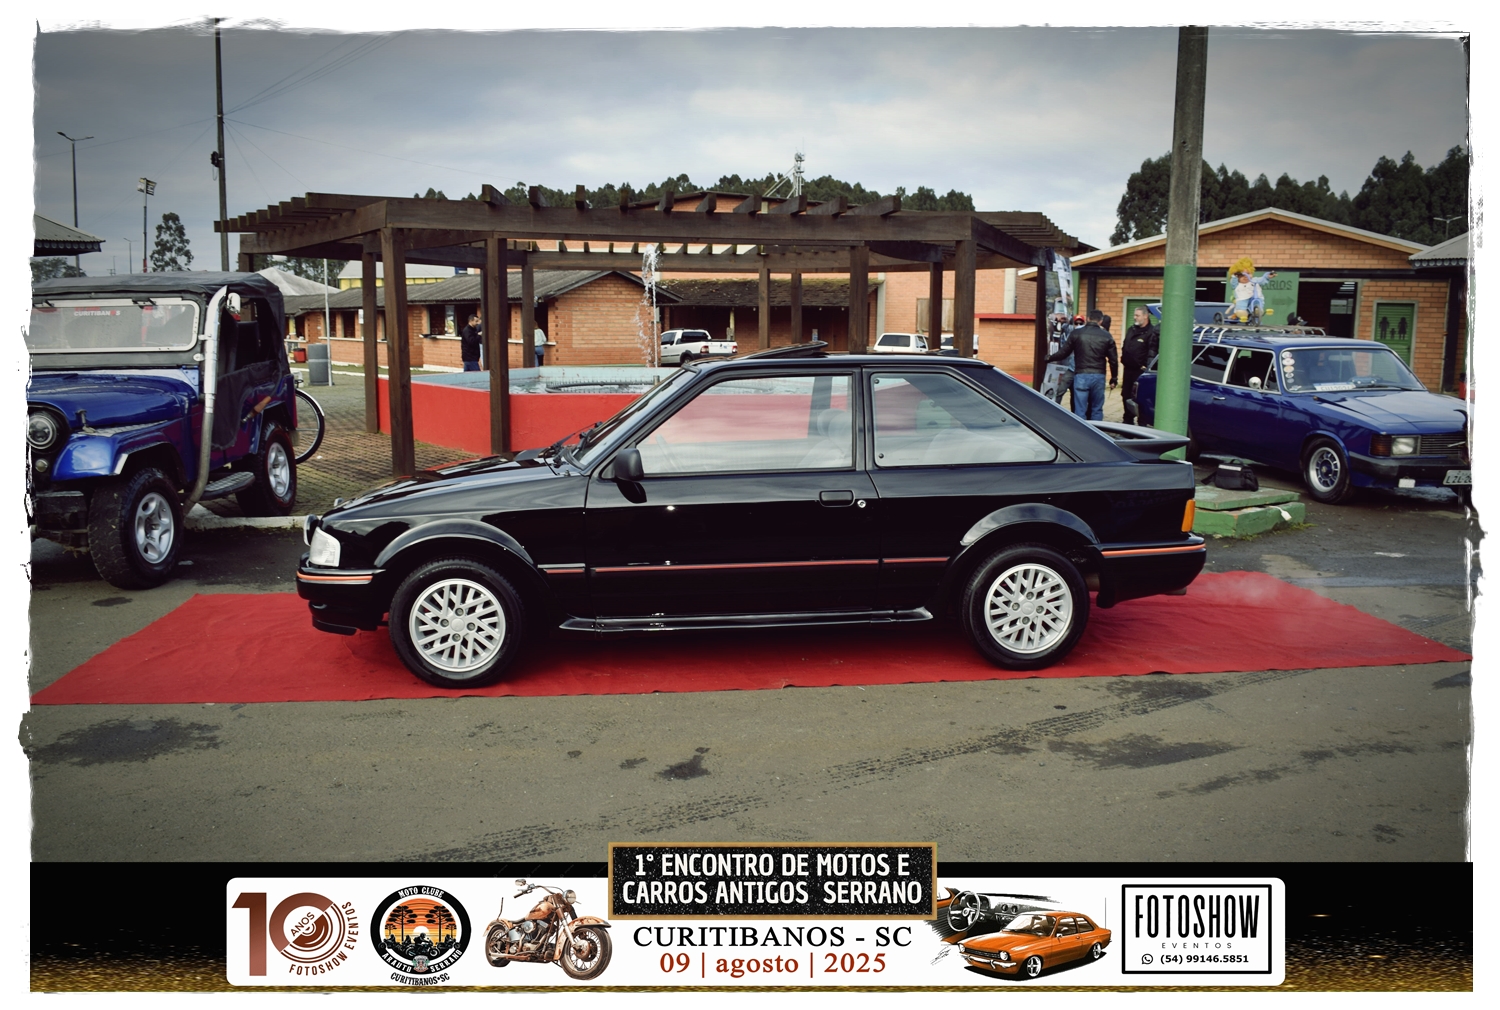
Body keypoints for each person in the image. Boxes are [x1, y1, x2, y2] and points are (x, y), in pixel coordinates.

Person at [1046, 309, 1117, 421]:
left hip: (1081, 375)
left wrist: (1050, 358)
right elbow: (1113, 360)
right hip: (1099, 375)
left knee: (1080, 409)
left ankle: (1080, 430)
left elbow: (1064, 352)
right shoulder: (1107, 336)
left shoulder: (1077, 333)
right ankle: (1096, 430)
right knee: (1097, 409)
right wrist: (1114, 378)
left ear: (1088, 319)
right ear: (1101, 321)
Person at [1120, 307, 1159, 425]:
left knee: (1140, 397)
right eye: (1134, 315)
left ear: (1145, 316)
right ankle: (1127, 421)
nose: (1134, 317)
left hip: (1140, 371)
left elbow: (1152, 351)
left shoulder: (1151, 332)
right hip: (1128, 370)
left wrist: (1145, 366)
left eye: (1137, 315)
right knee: (1126, 395)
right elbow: (1125, 346)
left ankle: (1142, 423)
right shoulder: (1131, 330)